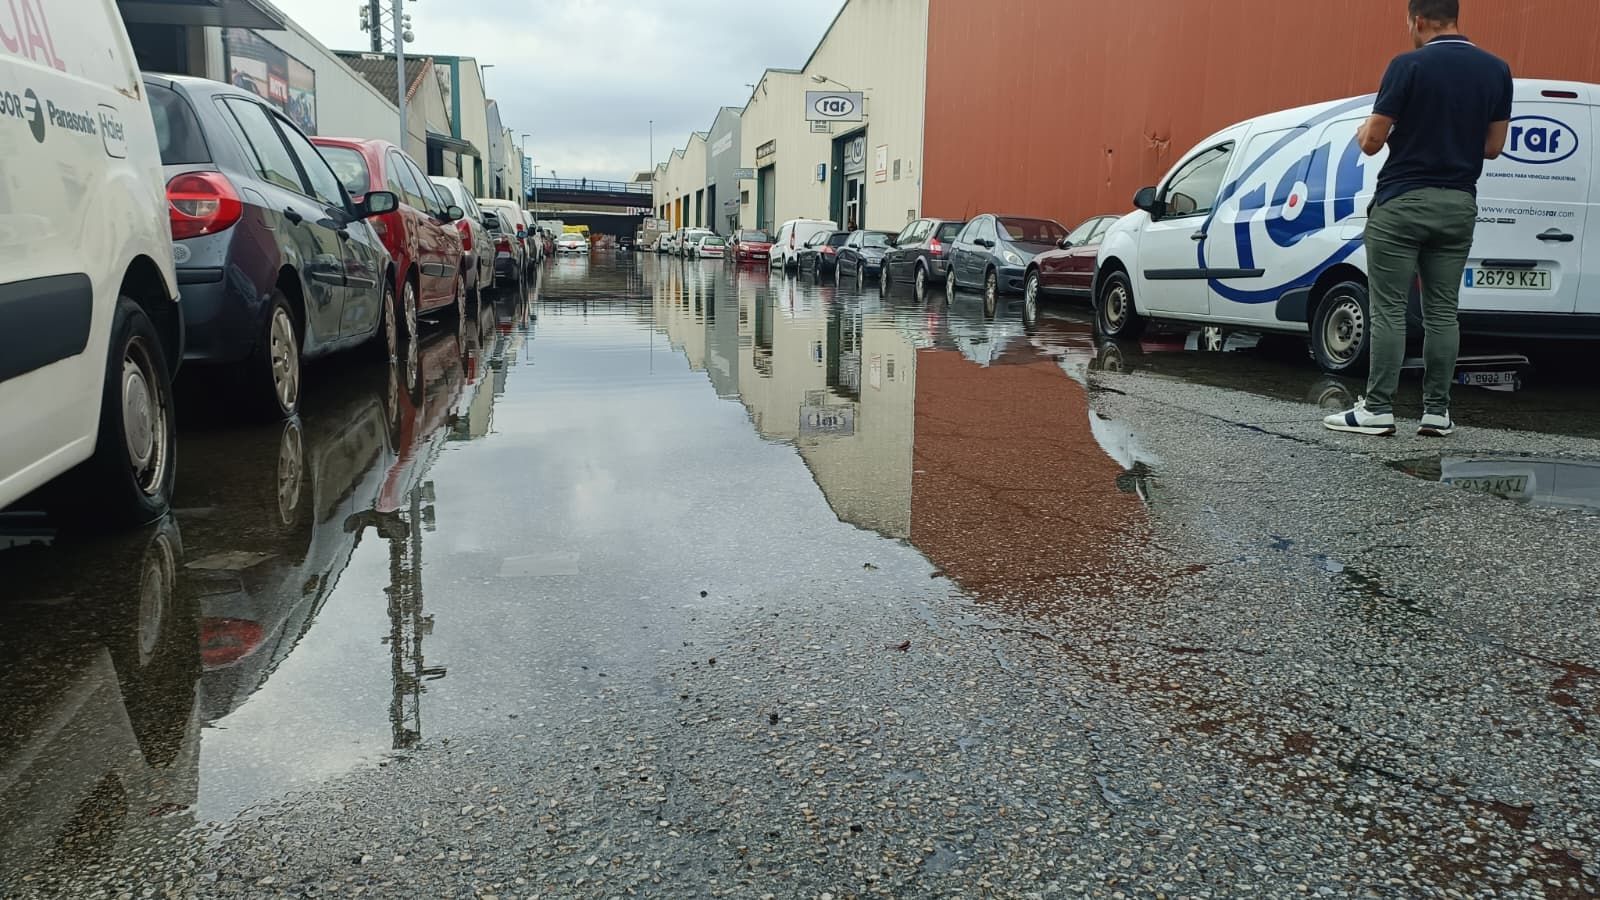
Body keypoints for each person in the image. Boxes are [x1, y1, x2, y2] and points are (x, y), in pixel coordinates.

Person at [1324, 0, 1511, 438]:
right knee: (1443, 312)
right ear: (1456, 17)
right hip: (1458, 203)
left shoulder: (1407, 65)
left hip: (1403, 201)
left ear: (1418, 19)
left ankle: (1378, 409)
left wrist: (1362, 132)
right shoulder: (1496, 70)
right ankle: (1437, 413)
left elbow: (1371, 142)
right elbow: (1492, 147)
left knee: (1388, 310)